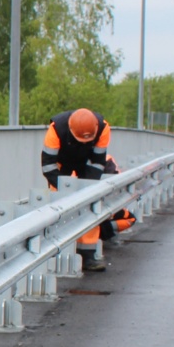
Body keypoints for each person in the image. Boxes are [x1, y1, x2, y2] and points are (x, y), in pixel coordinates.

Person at [40, 107, 112, 270]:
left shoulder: (103, 128)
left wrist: (86, 187)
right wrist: (64, 187)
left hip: (87, 163)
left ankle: (87, 256)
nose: (85, 142)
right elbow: (48, 166)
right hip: (60, 164)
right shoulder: (56, 129)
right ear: (71, 131)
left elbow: (98, 161)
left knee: (90, 203)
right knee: (57, 203)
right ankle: (54, 252)